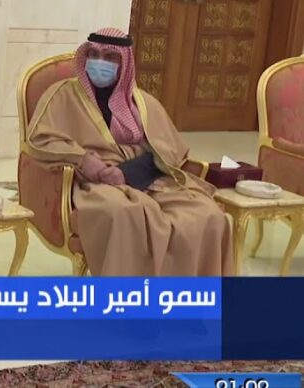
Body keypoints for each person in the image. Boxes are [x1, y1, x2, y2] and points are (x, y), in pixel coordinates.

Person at [25, 28, 232, 276]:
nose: (99, 62)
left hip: (150, 179)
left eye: (109, 57)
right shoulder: (62, 95)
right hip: (94, 182)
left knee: (207, 215)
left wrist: (128, 173)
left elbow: (169, 150)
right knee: (123, 214)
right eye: (94, 54)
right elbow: (40, 139)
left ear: (125, 62)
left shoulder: (143, 103)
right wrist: (84, 160)